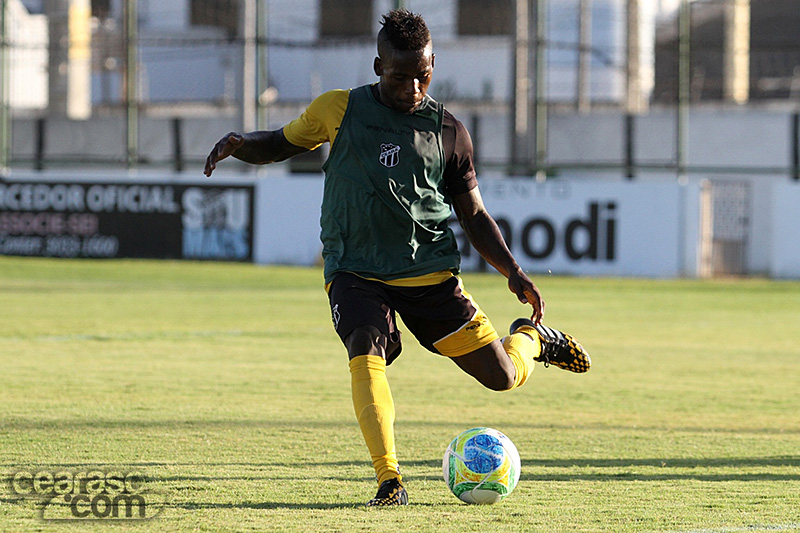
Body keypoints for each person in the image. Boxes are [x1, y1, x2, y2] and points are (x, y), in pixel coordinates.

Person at [204, 9, 590, 507]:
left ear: (433, 66)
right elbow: (280, 144)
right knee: (364, 350)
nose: (412, 87)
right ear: (377, 67)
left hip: (427, 273)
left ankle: (532, 340)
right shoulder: (338, 108)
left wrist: (513, 271)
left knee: (502, 377)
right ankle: (390, 481)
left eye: (422, 75)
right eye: (400, 76)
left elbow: (474, 215)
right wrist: (241, 144)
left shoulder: (448, 132)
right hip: (354, 268)